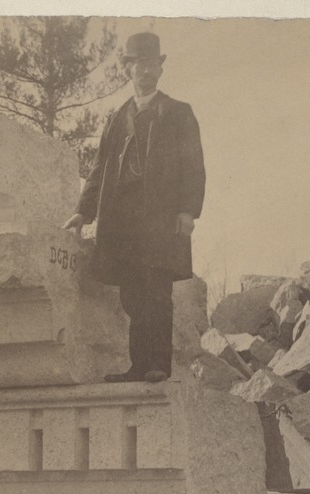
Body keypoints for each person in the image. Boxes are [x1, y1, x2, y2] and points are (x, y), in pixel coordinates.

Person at [64, 31, 206, 383]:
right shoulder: (116, 118)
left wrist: (188, 211)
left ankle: (157, 365)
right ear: (128, 68)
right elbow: (99, 169)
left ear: (160, 68)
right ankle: (137, 366)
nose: (145, 71)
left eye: (151, 64)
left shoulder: (178, 113)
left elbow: (194, 166)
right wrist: (84, 210)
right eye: (138, 64)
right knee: (132, 294)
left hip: (160, 221)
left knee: (158, 291)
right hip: (123, 223)